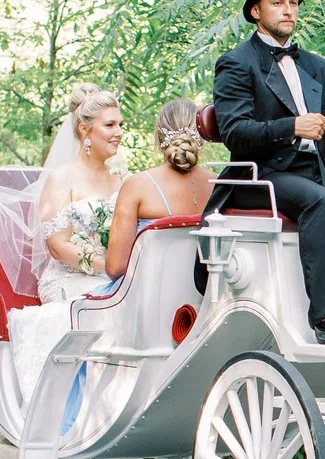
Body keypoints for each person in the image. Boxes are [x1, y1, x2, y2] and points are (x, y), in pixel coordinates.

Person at [208, 0, 325, 344]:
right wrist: (292, 126)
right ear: (256, 12)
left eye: (293, 3)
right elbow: (235, 132)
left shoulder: (313, 64)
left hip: (314, 169)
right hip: (263, 174)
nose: (288, 10)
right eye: (278, 3)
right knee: (320, 200)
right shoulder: (236, 63)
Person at [34, 83, 126, 304]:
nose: (119, 132)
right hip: (70, 279)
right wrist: (109, 268)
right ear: (84, 129)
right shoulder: (63, 178)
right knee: (113, 303)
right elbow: (57, 246)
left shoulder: (121, 177)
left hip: (114, 277)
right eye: (110, 125)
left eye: (120, 124)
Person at [104, 99, 215, 278]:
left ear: (159, 136)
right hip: (204, 299)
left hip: (148, 300)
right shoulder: (218, 184)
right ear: (202, 135)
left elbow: (116, 268)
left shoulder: (137, 186)